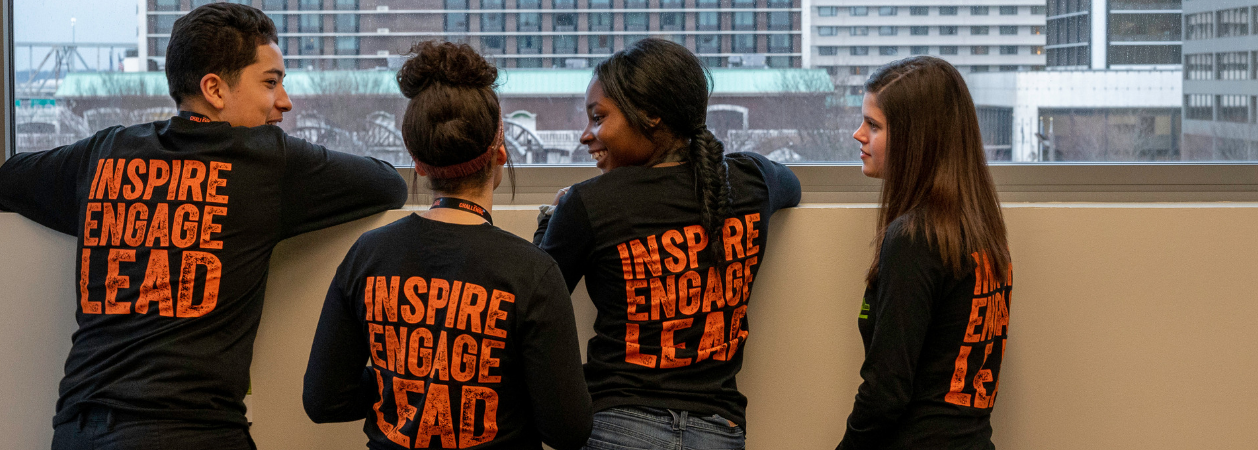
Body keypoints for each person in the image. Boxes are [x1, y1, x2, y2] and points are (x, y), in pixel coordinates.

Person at [0, 4, 409, 449]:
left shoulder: (106, 152)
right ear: (214, 89)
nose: (284, 101)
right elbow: (387, 185)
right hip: (192, 429)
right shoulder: (266, 163)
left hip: (79, 428)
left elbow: (6, 182)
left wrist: (119, 215)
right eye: (270, 82)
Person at [302, 40, 592, 450]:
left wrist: (406, 382)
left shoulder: (368, 254)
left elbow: (324, 399)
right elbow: (567, 430)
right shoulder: (532, 271)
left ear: (418, 164)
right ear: (499, 152)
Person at [534, 38, 802, 449]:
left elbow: (537, 298)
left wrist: (550, 219)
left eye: (598, 118)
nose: (586, 136)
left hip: (618, 422)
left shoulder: (590, 203)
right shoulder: (749, 181)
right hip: (719, 430)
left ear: (651, 115)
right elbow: (791, 185)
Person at [836, 56, 1013, 450]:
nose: (858, 134)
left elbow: (886, 391)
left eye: (874, 126)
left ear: (916, 139)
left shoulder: (914, 239)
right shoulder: (981, 230)